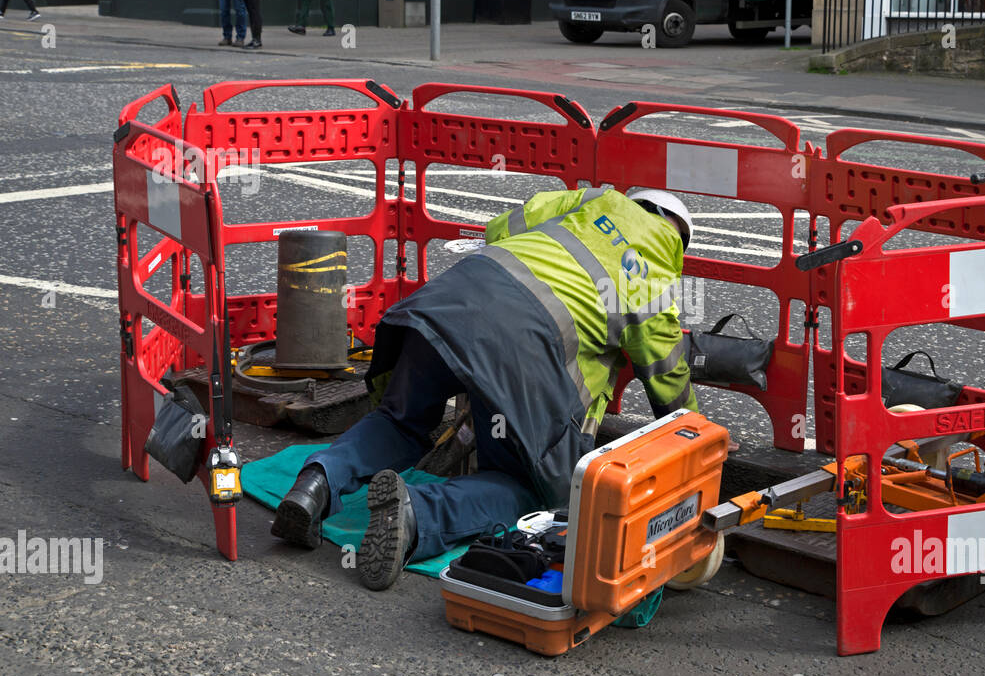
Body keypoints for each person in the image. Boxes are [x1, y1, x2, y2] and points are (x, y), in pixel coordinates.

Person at [270, 186, 698, 591]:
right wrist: (693, 428)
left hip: (452, 299)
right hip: (525, 349)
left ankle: (317, 480)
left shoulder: (594, 200)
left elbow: (501, 228)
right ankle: (420, 514)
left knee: (400, 420)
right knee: (536, 491)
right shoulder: (654, 273)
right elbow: (666, 373)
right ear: (678, 241)